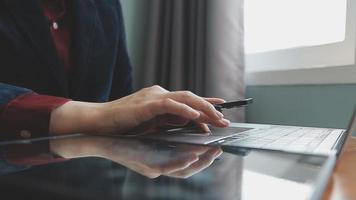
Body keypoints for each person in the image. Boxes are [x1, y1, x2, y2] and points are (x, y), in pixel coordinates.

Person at [0, 0, 229, 191]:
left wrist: (147, 119)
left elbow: (122, 97)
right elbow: (111, 110)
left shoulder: (105, 5)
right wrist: (94, 115)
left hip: (96, 186)